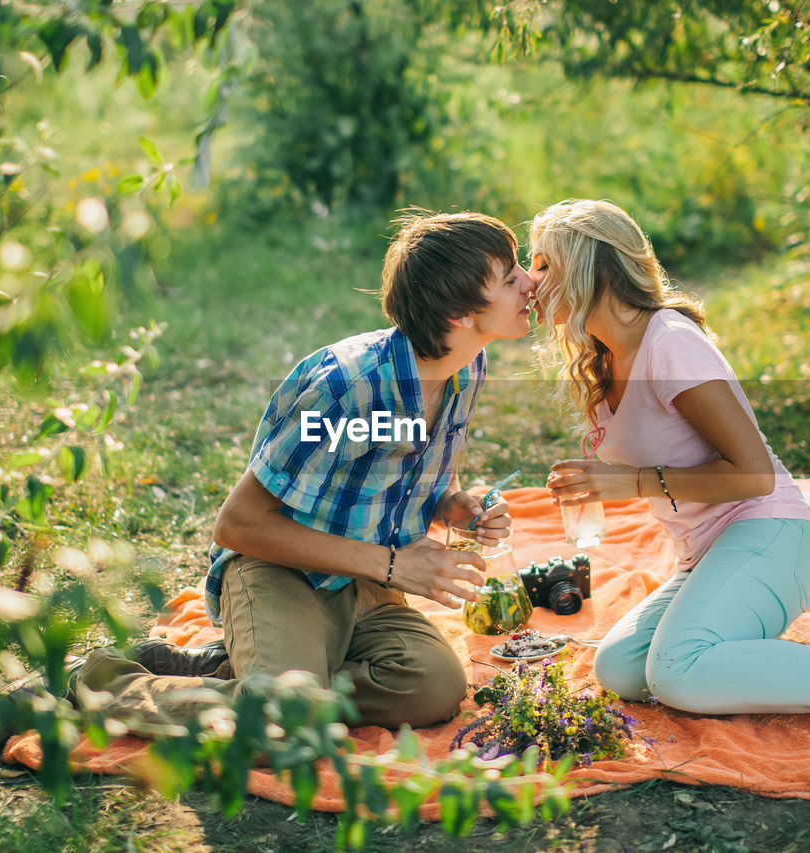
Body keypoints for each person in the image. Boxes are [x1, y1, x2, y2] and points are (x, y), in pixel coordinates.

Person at [527, 199, 810, 759]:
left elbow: (754, 473)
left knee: (677, 673)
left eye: (544, 264)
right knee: (620, 668)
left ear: (588, 265)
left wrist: (635, 482)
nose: (530, 280)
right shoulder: (604, 360)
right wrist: (603, 480)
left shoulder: (667, 340)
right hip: (705, 555)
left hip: (771, 537)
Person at [59, 210, 538, 738]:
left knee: (434, 687)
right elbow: (238, 525)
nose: (530, 284)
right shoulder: (346, 390)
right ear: (459, 314)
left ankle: (227, 672)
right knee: (282, 723)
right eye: (511, 277)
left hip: (367, 584)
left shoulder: (464, 368)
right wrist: (393, 563)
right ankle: (101, 682)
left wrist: (452, 504)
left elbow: (398, 469)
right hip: (279, 572)